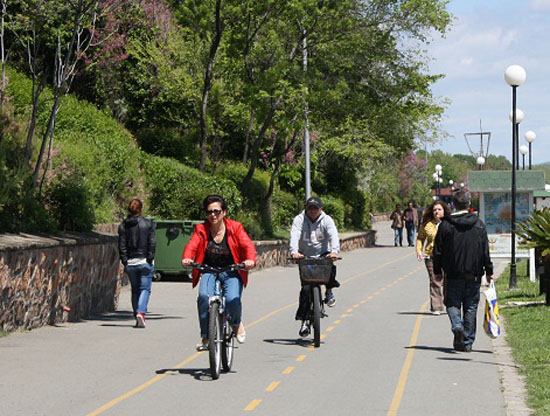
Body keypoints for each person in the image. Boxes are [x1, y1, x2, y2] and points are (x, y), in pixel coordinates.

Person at [182, 195, 257, 351]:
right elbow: (192, 246)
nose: (213, 215)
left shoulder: (235, 228)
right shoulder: (201, 229)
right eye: (209, 212)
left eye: (217, 211)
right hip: (209, 270)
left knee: (232, 299)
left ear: (224, 212)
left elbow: (247, 245)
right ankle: (205, 336)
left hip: (231, 270)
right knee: (203, 297)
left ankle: (236, 323)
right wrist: (187, 258)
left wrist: (250, 260)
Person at [433, 190, 494, 352]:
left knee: (452, 303)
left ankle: (457, 326)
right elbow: (484, 251)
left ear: (454, 205)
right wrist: (489, 271)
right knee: (471, 306)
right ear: (469, 205)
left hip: (453, 274)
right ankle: (466, 343)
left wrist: (437, 270)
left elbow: (437, 251)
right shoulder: (479, 224)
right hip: (474, 274)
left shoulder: (445, 225)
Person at [289, 196, 340, 337]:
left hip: (322, 253)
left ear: (320, 209)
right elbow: (294, 234)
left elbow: (333, 235)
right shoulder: (299, 219)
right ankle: (304, 321)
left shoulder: (327, 220)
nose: (312, 211)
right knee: (305, 289)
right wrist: (294, 252)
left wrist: (335, 251)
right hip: (305, 256)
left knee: (331, 267)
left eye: (315, 208)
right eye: (310, 208)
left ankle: (328, 291)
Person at [118, 198, 156, 328]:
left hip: (131, 262)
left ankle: (137, 314)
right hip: (145, 261)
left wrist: (125, 260)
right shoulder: (148, 224)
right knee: (145, 288)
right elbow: (152, 243)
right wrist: (150, 258)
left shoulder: (123, 225)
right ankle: (141, 313)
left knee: (135, 290)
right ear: (141, 209)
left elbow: (122, 245)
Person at [416, 200, 451, 315]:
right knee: (435, 280)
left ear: (444, 211)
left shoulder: (449, 223)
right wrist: (419, 251)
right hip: (431, 256)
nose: (436, 212)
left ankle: (449, 303)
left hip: (447, 256)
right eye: (434, 210)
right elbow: (420, 238)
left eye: (439, 209)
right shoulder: (427, 224)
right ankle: (436, 307)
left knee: (447, 280)